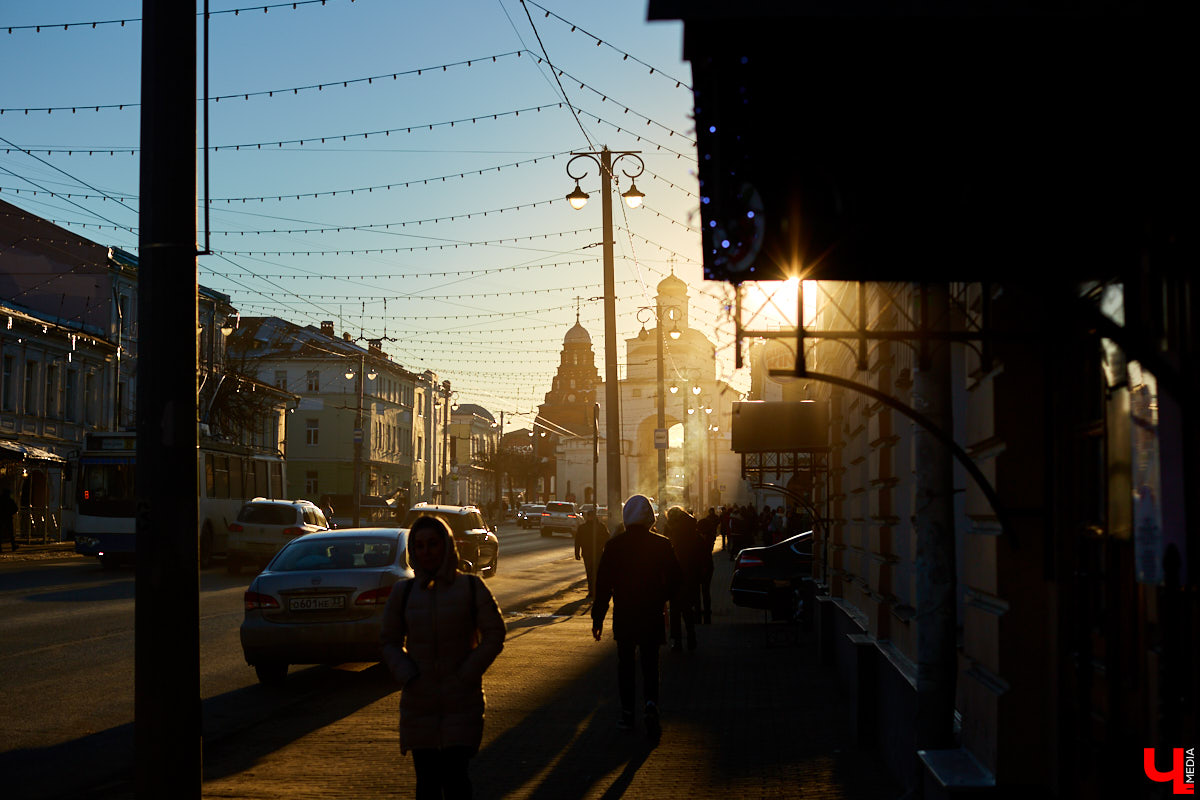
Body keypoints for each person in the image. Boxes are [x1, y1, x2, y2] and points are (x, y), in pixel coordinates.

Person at [381, 515, 506, 800]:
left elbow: (495, 633)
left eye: (433, 544)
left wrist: (468, 672)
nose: (426, 551)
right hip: (419, 704)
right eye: (420, 545)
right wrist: (408, 675)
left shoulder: (471, 587)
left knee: (456, 779)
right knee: (426, 783)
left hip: (461, 701)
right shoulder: (404, 592)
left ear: (446, 546)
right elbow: (388, 640)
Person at [592, 494, 682, 735]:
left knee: (626, 665)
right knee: (651, 662)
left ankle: (627, 713)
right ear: (650, 518)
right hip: (652, 612)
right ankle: (651, 704)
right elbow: (676, 580)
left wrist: (597, 618)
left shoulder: (614, 546)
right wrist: (661, 597)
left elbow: (603, 586)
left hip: (625, 613)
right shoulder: (662, 545)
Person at [664, 506, 706, 648]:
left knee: (675, 610)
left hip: (677, 575)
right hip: (691, 576)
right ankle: (691, 638)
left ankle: (677, 642)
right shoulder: (693, 531)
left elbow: (673, 555)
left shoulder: (676, 531)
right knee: (687, 609)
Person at [573, 507, 606, 597]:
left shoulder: (600, 527)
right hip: (589, 554)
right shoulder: (584, 528)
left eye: (591, 516)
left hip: (596, 553)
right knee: (591, 572)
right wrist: (577, 553)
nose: (590, 518)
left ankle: (594, 591)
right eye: (589, 516)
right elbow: (578, 541)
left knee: (594, 572)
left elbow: (606, 539)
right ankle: (592, 591)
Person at [695, 508, 719, 624]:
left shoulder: (697, 540)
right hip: (708, 566)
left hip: (698, 567)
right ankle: (707, 616)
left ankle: (698, 616)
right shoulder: (710, 538)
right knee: (706, 591)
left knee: (697, 592)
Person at [1, 487, 18, 552]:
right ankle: (13, 545)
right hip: (8, 517)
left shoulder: (2, 500)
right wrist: (10, 513)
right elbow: (15, 508)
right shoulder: (9, 500)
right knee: (11, 533)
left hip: (2, 517)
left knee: (1, 532)